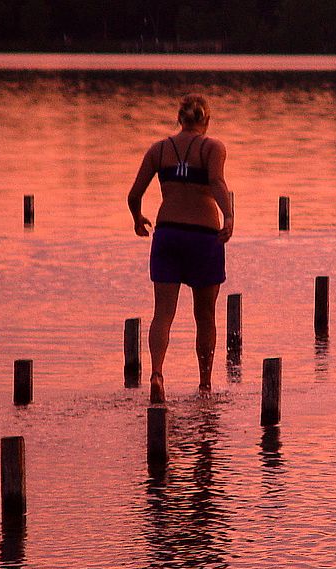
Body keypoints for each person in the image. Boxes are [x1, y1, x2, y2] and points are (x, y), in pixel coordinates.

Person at [127, 94, 234, 403]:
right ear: (207, 121)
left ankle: (157, 374)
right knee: (205, 315)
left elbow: (134, 195)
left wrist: (137, 219)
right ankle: (204, 385)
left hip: (168, 234)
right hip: (204, 236)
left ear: (179, 119)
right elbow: (216, 182)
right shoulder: (213, 148)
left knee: (162, 314)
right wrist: (228, 216)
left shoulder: (159, 150)